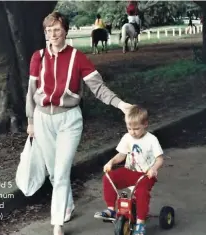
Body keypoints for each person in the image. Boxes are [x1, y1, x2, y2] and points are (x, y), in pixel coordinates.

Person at [26, 11, 133, 235]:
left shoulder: (78, 58)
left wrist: (121, 105)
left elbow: (98, 88)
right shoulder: (38, 57)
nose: (53, 34)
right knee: (54, 173)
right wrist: (31, 120)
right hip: (43, 118)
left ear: (65, 30)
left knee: (62, 170)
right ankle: (67, 205)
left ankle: (57, 224)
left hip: (69, 120)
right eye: (49, 30)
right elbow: (32, 92)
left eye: (57, 29)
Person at [94, 105, 164, 235]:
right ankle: (111, 209)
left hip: (145, 175)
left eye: (136, 129)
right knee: (109, 177)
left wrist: (154, 169)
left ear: (145, 124)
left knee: (142, 192)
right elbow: (121, 155)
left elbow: (159, 159)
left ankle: (140, 223)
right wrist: (111, 162)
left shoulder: (151, 140)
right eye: (129, 128)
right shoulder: (127, 137)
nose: (132, 132)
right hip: (130, 172)